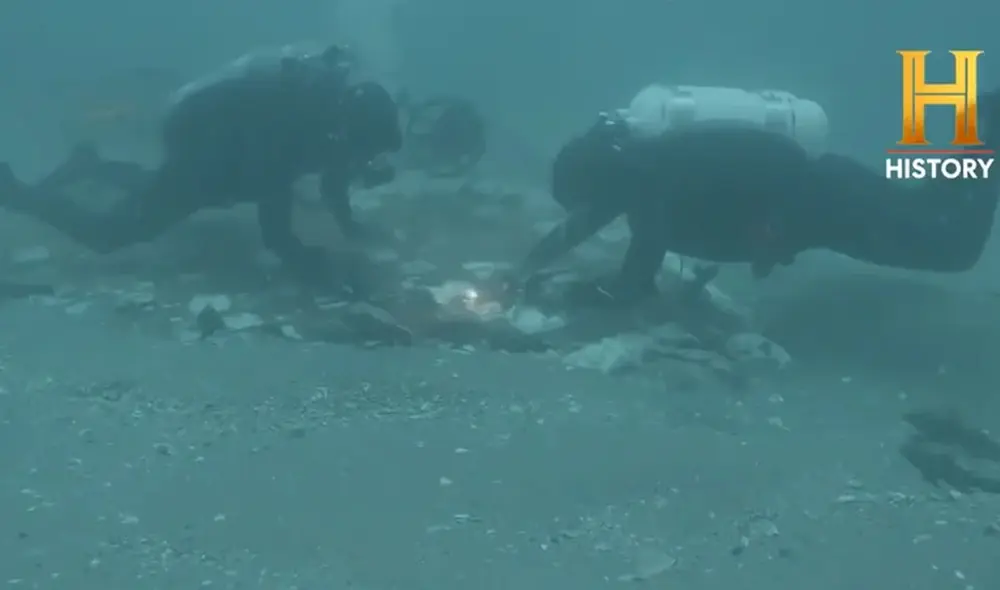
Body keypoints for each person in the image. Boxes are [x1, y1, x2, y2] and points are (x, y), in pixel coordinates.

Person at [502, 90, 1000, 305]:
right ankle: (983, 133)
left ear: (597, 181)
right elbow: (581, 228)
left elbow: (635, 273)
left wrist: (778, 222)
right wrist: (523, 270)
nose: (589, 211)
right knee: (928, 203)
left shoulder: (652, 186)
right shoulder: (643, 169)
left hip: (832, 206)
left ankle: (990, 134)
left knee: (954, 249)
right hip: (832, 188)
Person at [0, 44, 402, 288]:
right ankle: (15, 193)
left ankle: (91, 165)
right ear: (347, 130)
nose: (359, 165)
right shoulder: (293, 128)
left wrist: (350, 226)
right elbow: (275, 231)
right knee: (113, 235)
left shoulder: (333, 128)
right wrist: (314, 265)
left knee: (170, 188)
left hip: (222, 147)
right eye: (362, 154)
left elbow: (333, 181)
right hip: (204, 140)